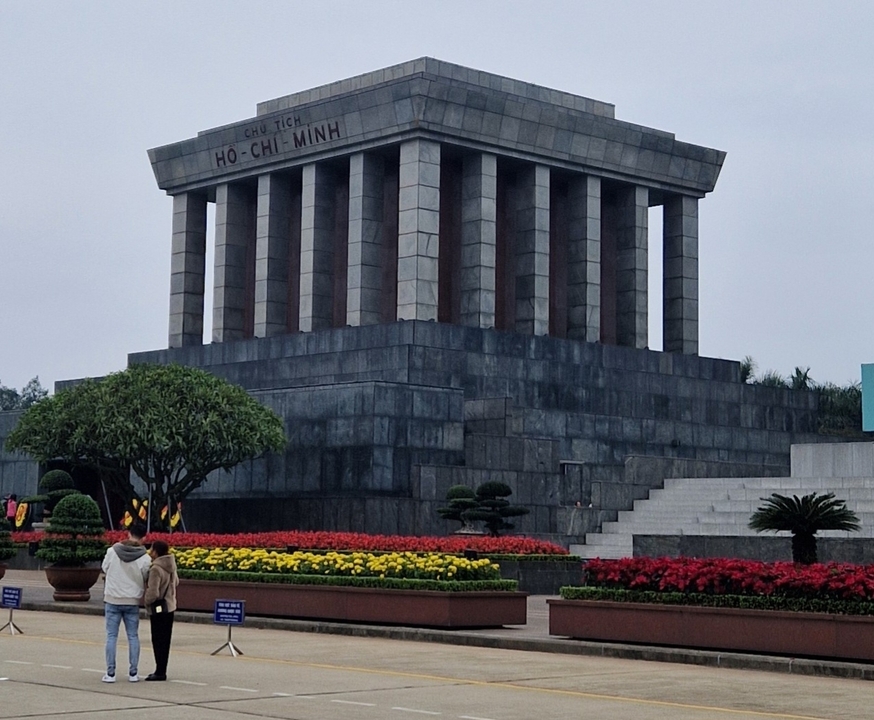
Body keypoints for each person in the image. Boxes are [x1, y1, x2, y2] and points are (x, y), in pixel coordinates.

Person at [101, 522, 150, 683]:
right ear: (144, 537)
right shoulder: (145, 557)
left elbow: (105, 568)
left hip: (112, 599)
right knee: (133, 636)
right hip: (132, 600)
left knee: (111, 636)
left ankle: (110, 673)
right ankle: (133, 673)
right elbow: (146, 576)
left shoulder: (112, 551)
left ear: (129, 533)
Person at [143, 539, 179, 681]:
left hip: (158, 609)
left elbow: (153, 592)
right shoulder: (171, 565)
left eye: (152, 550)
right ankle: (162, 669)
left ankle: (159, 671)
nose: (150, 552)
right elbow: (176, 582)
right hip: (170, 607)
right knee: (166, 640)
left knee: (157, 640)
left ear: (156, 551)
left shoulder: (155, 569)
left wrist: (146, 602)